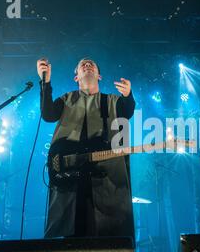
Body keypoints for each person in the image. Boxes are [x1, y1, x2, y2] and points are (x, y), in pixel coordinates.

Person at [37, 58, 136, 239]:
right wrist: (46, 81)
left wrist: (128, 95)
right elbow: (48, 114)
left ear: (99, 76)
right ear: (76, 78)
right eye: (83, 64)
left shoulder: (112, 100)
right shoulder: (67, 99)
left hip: (103, 175)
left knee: (104, 226)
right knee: (69, 223)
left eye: (92, 64)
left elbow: (127, 111)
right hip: (70, 174)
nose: (87, 65)